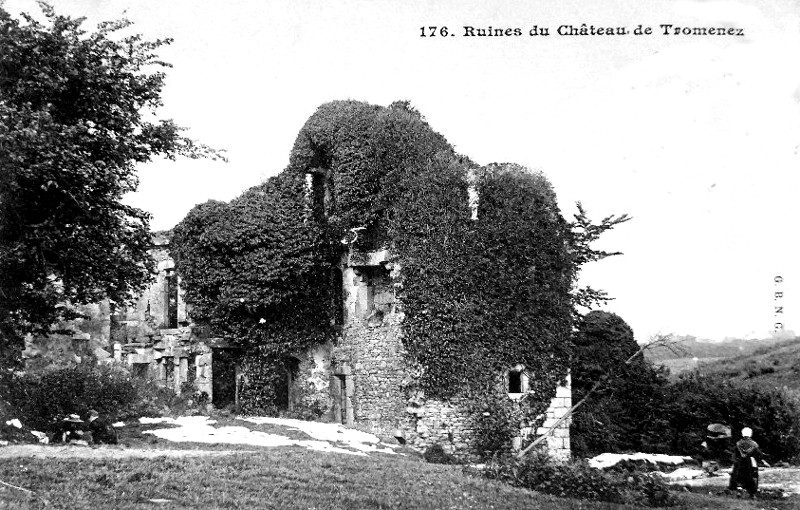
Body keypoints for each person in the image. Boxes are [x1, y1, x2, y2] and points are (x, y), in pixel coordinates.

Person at [728, 427, 769, 498]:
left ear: (742, 434)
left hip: (740, 462)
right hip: (750, 462)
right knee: (752, 477)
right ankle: (752, 494)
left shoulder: (738, 443)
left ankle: (739, 490)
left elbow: (735, 453)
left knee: (739, 477)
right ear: (750, 434)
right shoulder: (754, 444)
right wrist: (764, 456)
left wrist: (734, 461)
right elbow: (759, 453)